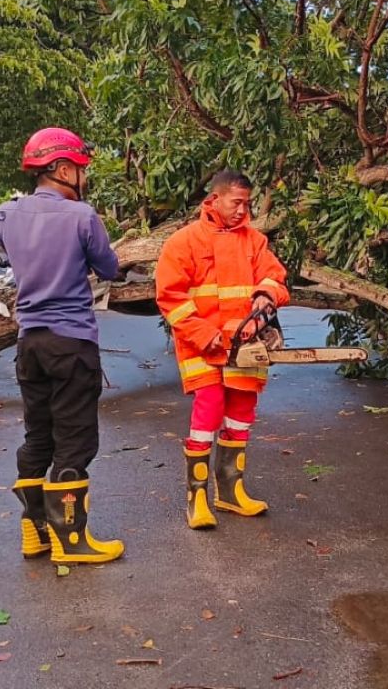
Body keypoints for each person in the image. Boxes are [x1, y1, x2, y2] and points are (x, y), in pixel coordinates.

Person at [0, 127, 122, 564]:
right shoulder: (82, 216)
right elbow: (109, 268)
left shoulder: (5, 215)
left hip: (29, 342)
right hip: (71, 342)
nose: (84, 178)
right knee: (74, 439)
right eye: (82, 169)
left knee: (38, 435)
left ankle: (35, 532)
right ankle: (71, 541)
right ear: (63, 168)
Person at [155, 169, 291, 530]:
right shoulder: (184, 242)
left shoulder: (254, 241)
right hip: (202, 345)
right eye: (237, 203)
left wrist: (265, 299)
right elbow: (170, 297)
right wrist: (202, 332)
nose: (242, 210)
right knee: (209, 409)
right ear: (214, 199)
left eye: (246, 204)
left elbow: (274, 277)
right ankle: (196, 497)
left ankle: (230, 492)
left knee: (242, 412)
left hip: (245, 346)